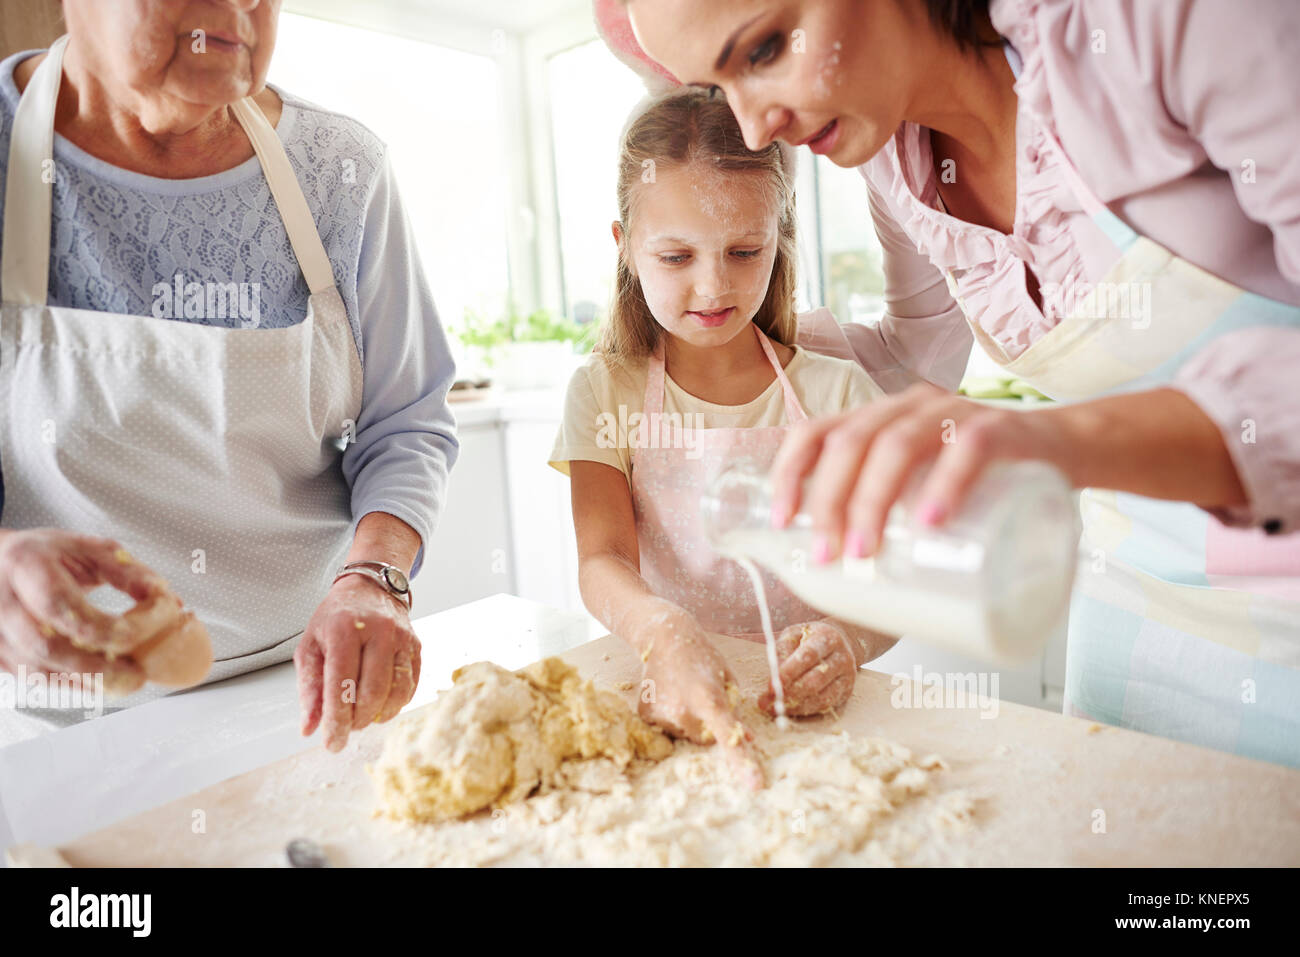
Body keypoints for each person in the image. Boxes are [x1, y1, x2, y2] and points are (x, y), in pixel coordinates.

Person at [610, 0, 1300, 766]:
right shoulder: (894, 163)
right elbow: (918, 363)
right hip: (1131, 615)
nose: (753, 130)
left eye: (766, 48)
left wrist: (1060, 437)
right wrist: (747, 352)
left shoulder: (1160, 26)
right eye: (715, 84)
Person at [0, 0, 457, 751]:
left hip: (309, 686)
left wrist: (374, 580)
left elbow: (404, 423)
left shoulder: (343, 171)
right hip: (53, 721)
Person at [549, 87, 899, 786]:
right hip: (666, 699)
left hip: (816, 728)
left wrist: (850, 640)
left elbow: (887, 576)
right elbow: (603, 560)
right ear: (625, 247)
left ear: (779, 238)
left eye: (744, 250)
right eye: (675, 257)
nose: (713, 287)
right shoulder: (603, 390)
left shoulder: (837, 394)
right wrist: (661, 629)